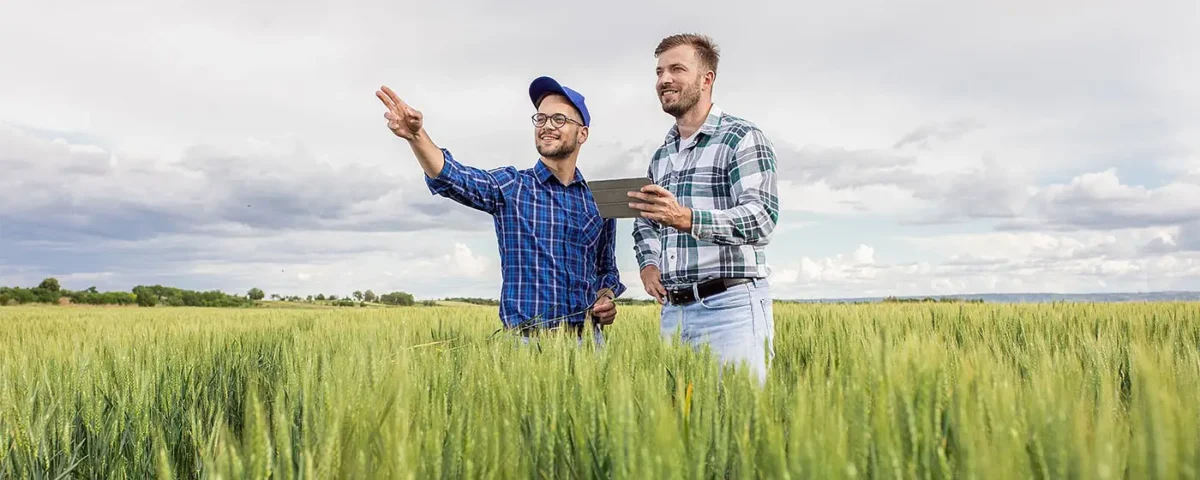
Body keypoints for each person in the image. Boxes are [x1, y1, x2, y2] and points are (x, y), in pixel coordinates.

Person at [375, 76, 625, 337]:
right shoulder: (512, 186)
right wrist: (417, 137)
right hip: (526, 344)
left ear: (582, 133)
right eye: (540, 118)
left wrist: (605, 300)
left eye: (559, 119)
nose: (547, 126)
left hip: (588, 344)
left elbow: (606, 271)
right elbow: (454, 177)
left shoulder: (600, 200)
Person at [628, 33, 779, 383]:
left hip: (730, 308)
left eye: (677, 69)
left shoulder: (741, 138)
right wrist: (649, 264)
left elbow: (762, 218)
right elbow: (646, 222)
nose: (664, 79)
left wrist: (686, 218)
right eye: (659, 71)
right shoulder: (661, 155)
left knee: (738, 423)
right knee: (682, 425)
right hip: (674, 313)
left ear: (706, 79)